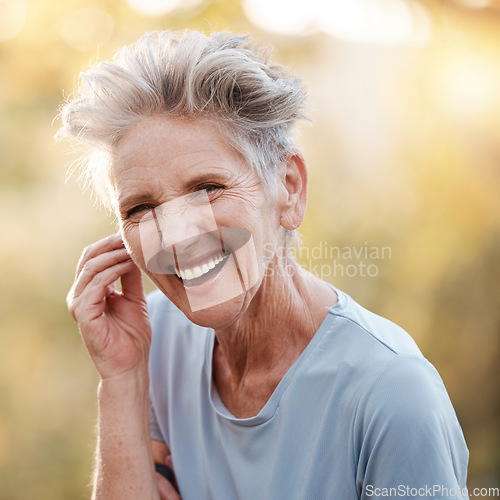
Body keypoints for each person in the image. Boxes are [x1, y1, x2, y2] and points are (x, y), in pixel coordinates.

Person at [59, 30, 469, 500]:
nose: (175, 237)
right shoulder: (160, 338)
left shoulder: (393, 393)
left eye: (207, 187)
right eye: (139, 209)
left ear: (289, 188)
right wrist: (122, 378)